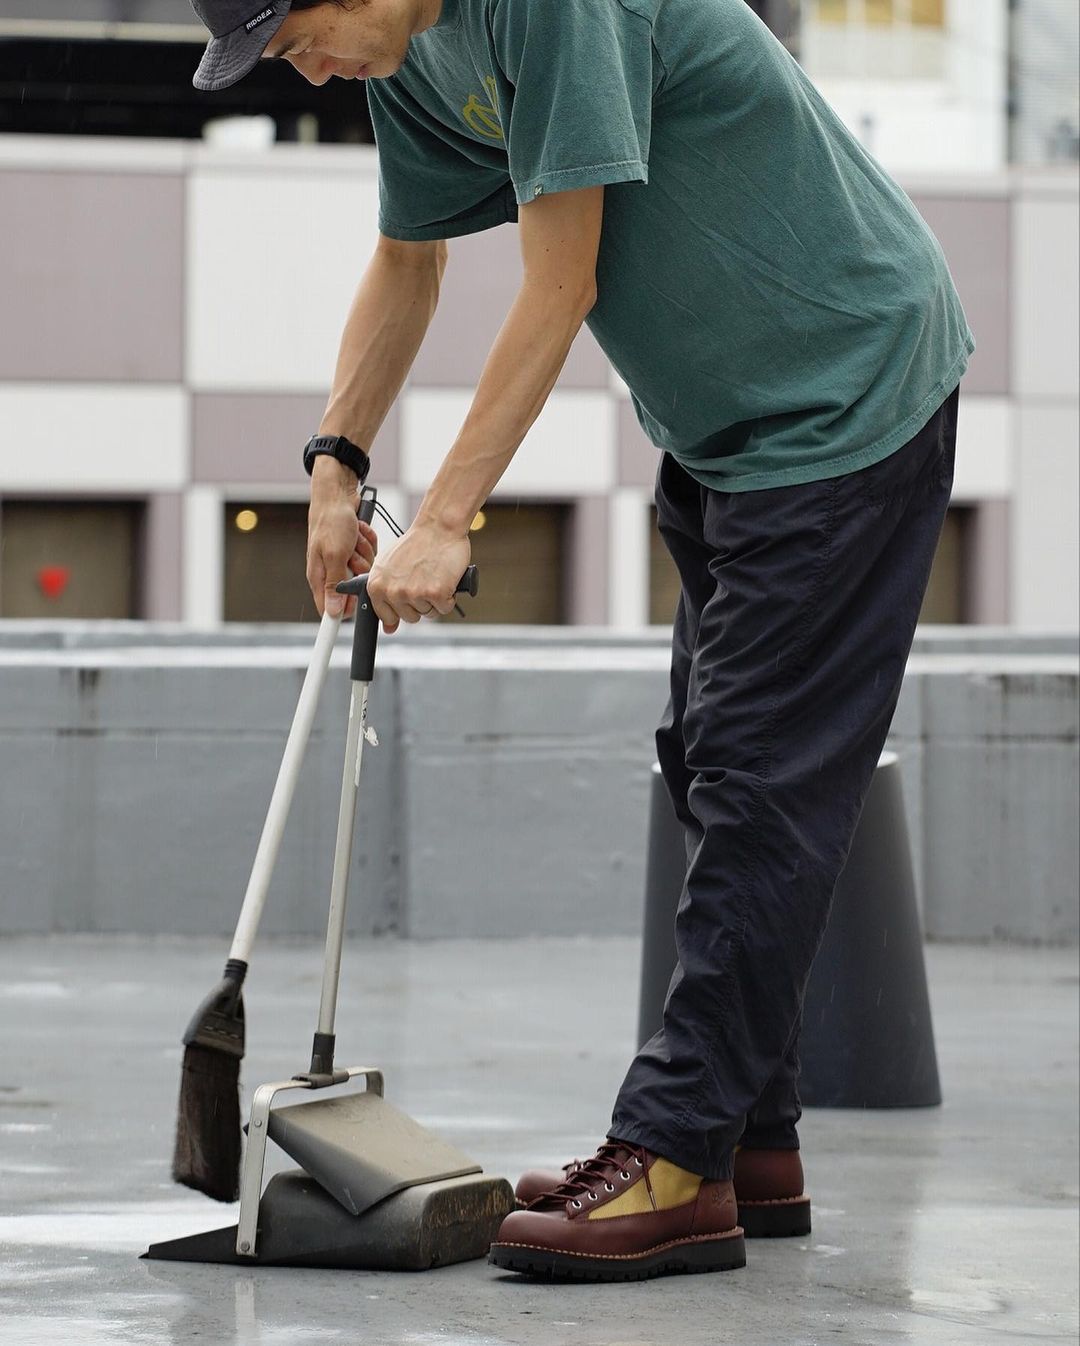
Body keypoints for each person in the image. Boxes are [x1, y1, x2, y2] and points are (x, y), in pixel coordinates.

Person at [190, 0, 974, 1282]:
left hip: (847, 396)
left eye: (300, 41)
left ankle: (672, 1156)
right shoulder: (414, 51)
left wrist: (445, 518)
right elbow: (410, 261)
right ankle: (740, 1143)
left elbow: (563, 280)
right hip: (727, 430)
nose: (315, 74)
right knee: (709, 763)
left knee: (760, 783)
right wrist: (335, 465)